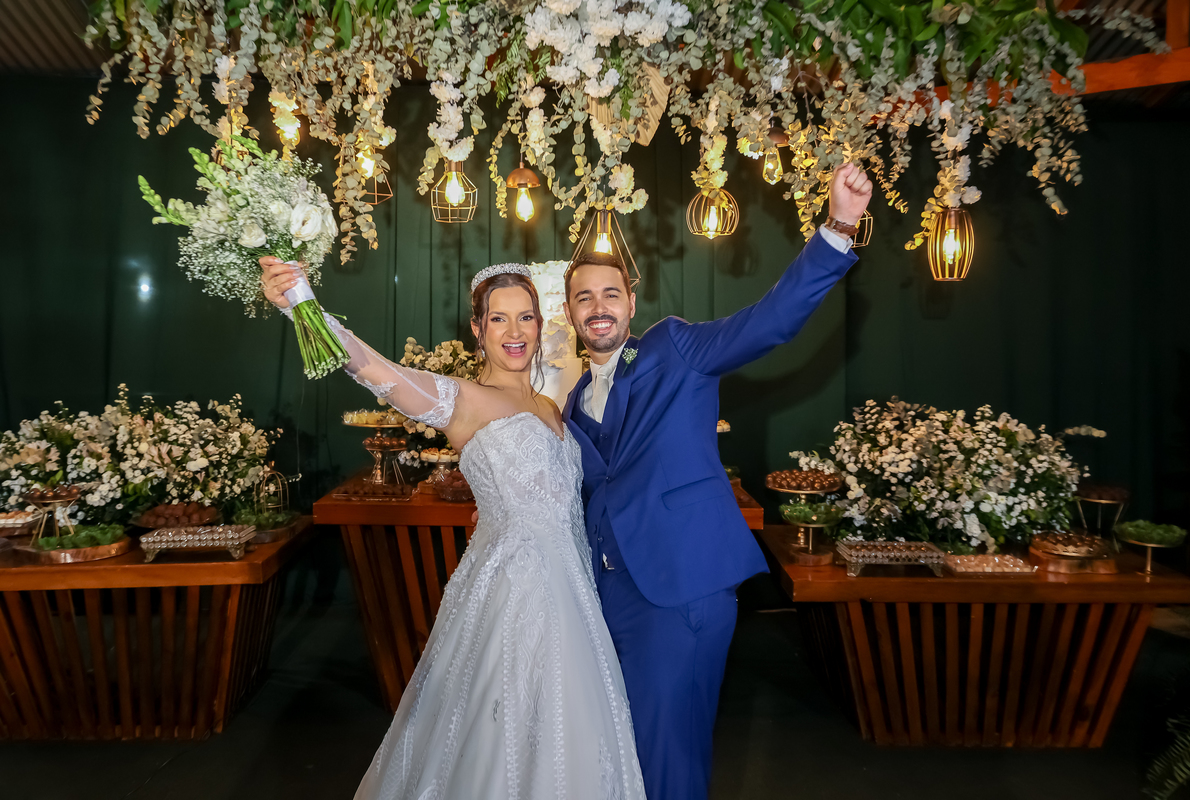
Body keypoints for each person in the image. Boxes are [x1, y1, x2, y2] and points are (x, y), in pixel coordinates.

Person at [259, 258, 646, 800]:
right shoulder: (463, 400)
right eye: (498, 319)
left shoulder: (551, 406)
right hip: (514, 592)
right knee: (501, 735)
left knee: (572, 732)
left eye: (526, 317)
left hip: (575, 587)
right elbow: (376, 371)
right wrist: (303, 306)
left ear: (542, 324)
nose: (514, 332)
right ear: (477, 329)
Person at [561, 162, 873, 800]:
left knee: (668, 752)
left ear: (632, 304)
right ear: (569, 311)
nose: (598, 307)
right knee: (621, 748)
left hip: (681, 585)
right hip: (608, 595)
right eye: (584, 297)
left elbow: (769, 321)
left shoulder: (675, 349)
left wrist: (839, 227)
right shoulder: (572, 401)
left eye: (610, 294)